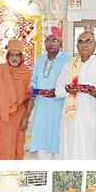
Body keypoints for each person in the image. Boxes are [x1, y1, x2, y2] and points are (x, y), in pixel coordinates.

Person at [56, 31, 96, 159]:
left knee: (92, 152)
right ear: (77, 46)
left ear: (95, 45)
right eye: (81, 41)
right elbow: (58, 91)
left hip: (92, 118)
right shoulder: (69, 64)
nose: (84, 45)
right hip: (71, 119)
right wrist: (68, 89)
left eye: (88, 41)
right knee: (71, 151)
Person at [28, 27, 69, 159]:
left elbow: (72, 82)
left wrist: (58, 92)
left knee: (59, 141)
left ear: (61, 42)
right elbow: (34, 80)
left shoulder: (68, 60)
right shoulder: (40, 60)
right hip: (41, 106)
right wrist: (32, 88)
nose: (50, 43)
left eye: (54, 40)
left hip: (60, 106)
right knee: (41, 139)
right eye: (47, 40)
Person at [0, 39, 33, 160]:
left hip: (19, 116)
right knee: (3, 146)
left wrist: (26, 119)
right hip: (3, 116)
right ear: (7, 56)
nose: (14, 58)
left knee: (17, 145)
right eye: (11, 55)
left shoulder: (27, 73)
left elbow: (30, 98)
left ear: (21, 57)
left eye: (17, 55)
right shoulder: (0, 70)